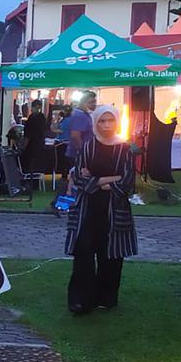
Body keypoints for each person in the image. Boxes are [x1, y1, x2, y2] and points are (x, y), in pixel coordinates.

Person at [65, 105, 137, 314]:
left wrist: (96, 182)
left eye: (110, 120)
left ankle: (105, 298)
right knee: (84, 254)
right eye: (102, 121)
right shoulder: (88, 147)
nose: (106, 125)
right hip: (87, 209)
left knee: (111, 255)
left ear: (117, 121)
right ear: (95, 123)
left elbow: (128, 181)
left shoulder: (125, 148)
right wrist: (108, 179)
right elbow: (78, 177)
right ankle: (80, 301)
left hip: (114, 209)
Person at [22, 98, 51, 175]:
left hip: (34, 145)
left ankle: (30, 178)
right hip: (38, 144)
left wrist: (24, 145)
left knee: (31, 164)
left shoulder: (36, 118)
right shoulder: (38, 117)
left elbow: (29, 133)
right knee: (35, 164)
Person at [66, 91, 96, 161]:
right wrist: (83, 151)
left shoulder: (84, 114)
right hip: (78, 155)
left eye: (95, 102)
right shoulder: (80, 115)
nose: (94, 104)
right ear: (83, 103)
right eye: (91, 102)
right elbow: (75, 136)